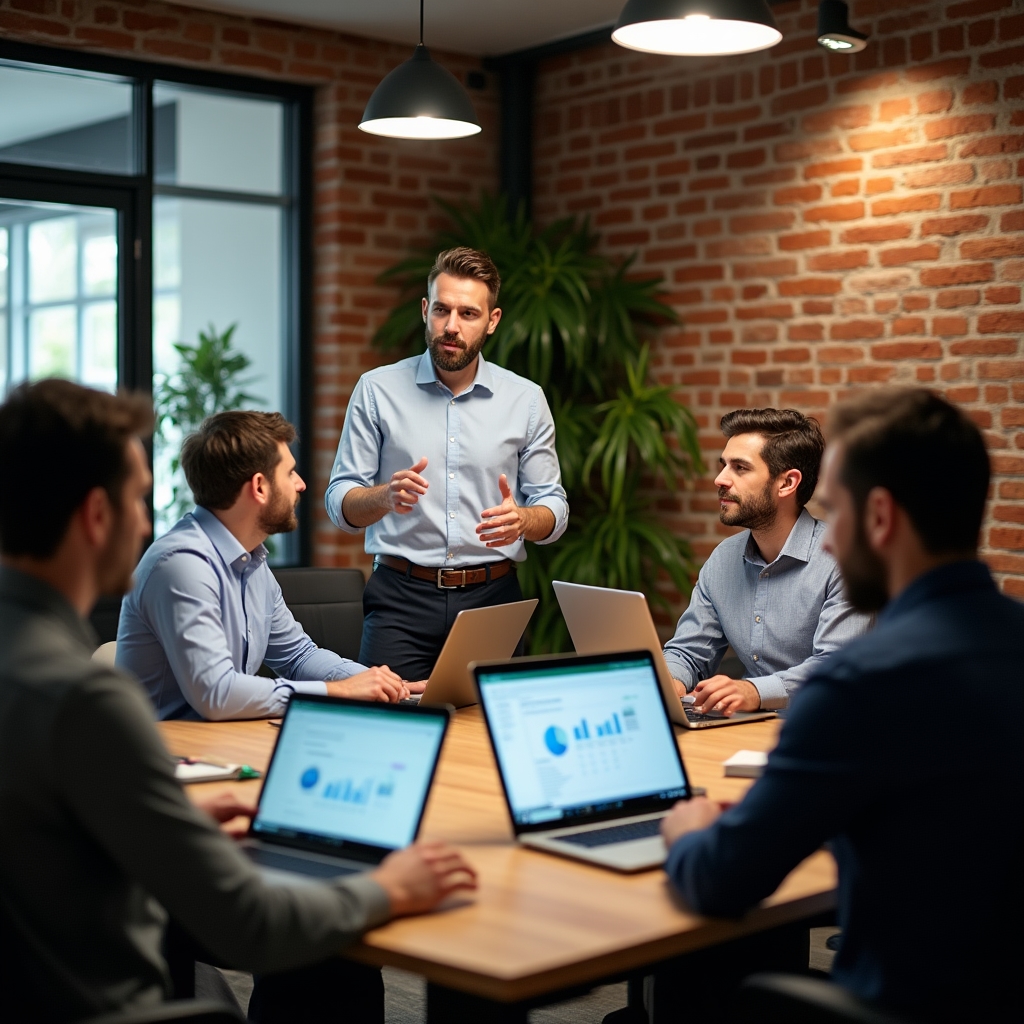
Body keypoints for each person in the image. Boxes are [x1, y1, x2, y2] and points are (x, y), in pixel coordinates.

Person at [0, 379, 477, 1023]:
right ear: (95, 515)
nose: (147, 522)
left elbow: (295, 652)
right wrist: (387, 889)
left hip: (93, 899)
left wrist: (376, 678)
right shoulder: (93, 690)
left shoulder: (28, 664)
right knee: (326, 944)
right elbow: (248, 926)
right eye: (137, 500)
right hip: (108, 994)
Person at [659, 388, 1022, 1023]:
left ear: (878, 518)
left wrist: (688, 832)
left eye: (839, 509)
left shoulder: (857, 687)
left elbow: (722, 880)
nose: (828, 538)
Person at [326, 246, 568, 681]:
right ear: (425, 310)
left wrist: (524, 519)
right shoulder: (376, 390)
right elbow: (339, 503)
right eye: (442, 310)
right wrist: (384, 496)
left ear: (492, 320)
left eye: (468, 314)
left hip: (493, 600)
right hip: (399, 600)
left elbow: (553, 506)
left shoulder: (526, 400)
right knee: (386, 727)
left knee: (491, 738)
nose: (451, 327)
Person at [118, 410, 411, 720]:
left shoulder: (252, 561)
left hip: (221, 745)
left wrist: (382, 683)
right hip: (169, 756)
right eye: (289, 473)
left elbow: (298, 657)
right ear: (259, 487)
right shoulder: (181, 566)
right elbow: (217, 694)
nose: (300, 485)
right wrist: (343, 691)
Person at [662, 407, 870, 715]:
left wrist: (754, 691)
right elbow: (689, 652)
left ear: (787, 483)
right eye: (723, 466)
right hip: (750, 730)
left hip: (836, 732)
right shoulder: (723, 560)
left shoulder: (847, 560)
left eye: (740, 468)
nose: (720, 479)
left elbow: (835, 666)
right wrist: (670, 681)